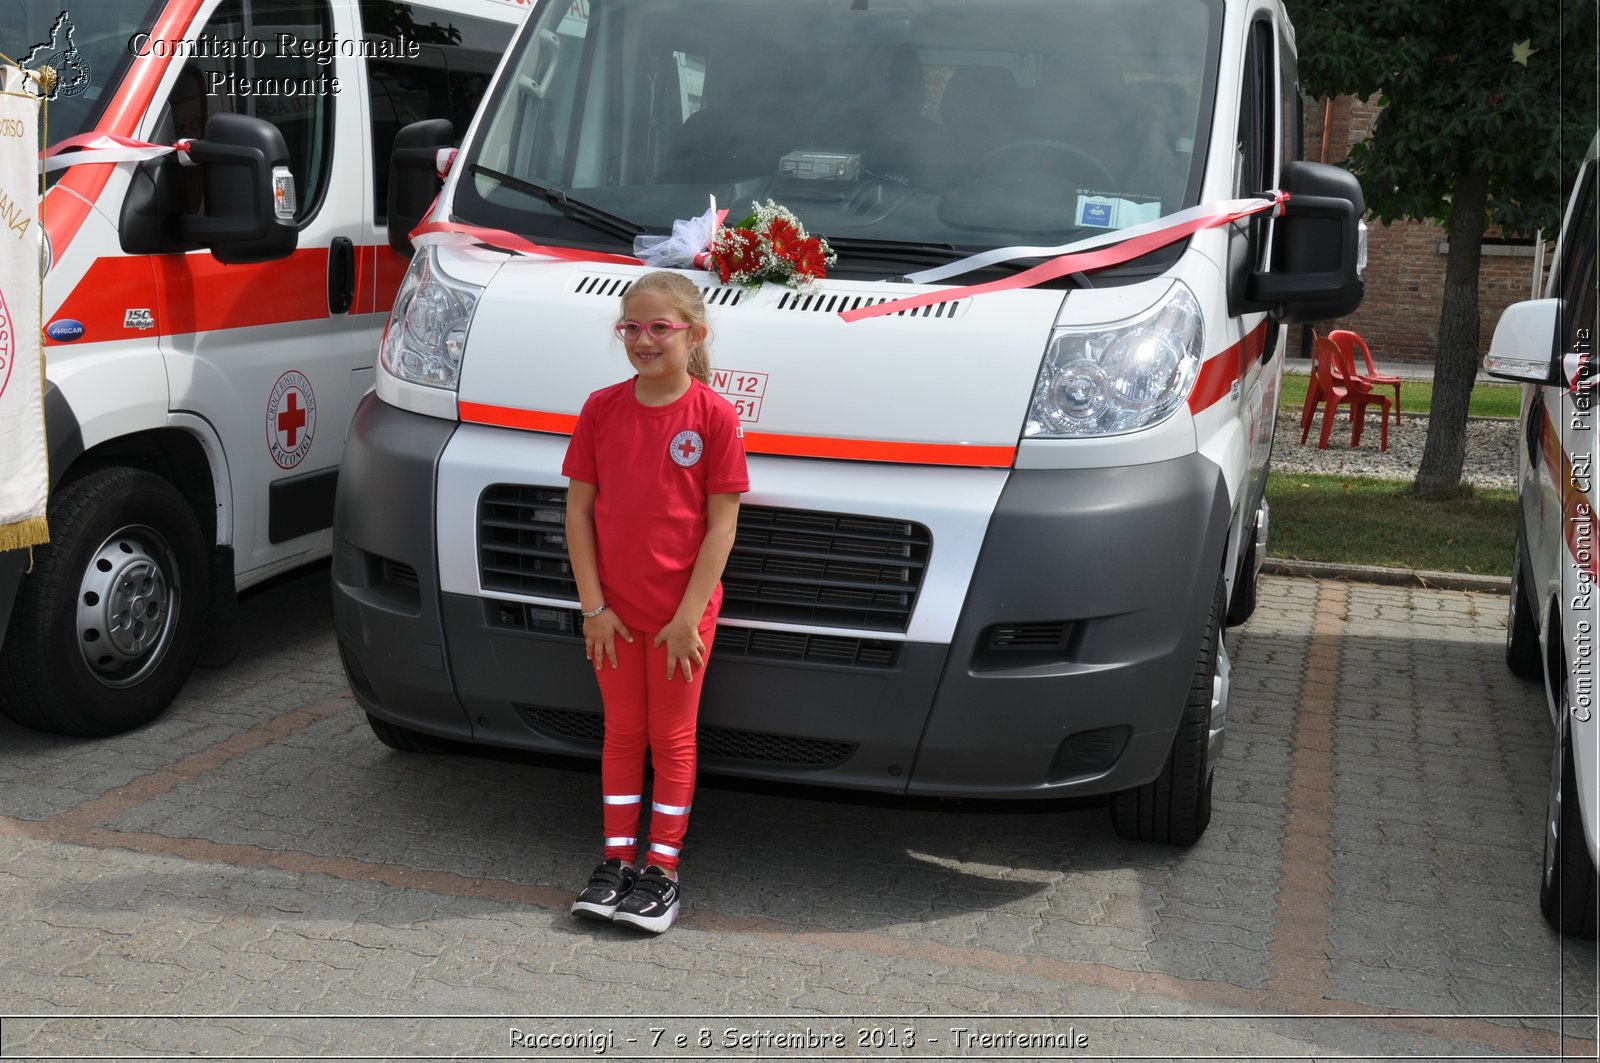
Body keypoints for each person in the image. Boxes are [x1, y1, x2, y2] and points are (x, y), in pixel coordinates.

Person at [561, 270, 750, 933]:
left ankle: (661, 870)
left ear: (692, 334)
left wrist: (685, 618)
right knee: (621, 733)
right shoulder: (600, 409)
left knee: (671, 739)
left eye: (659, 328)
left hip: (680, 623)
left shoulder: (713, 416)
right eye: (631, 327)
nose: (644, 339)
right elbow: (578, 512)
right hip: (612, 616)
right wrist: (593, 608)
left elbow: (721, 526)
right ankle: (615, 861)